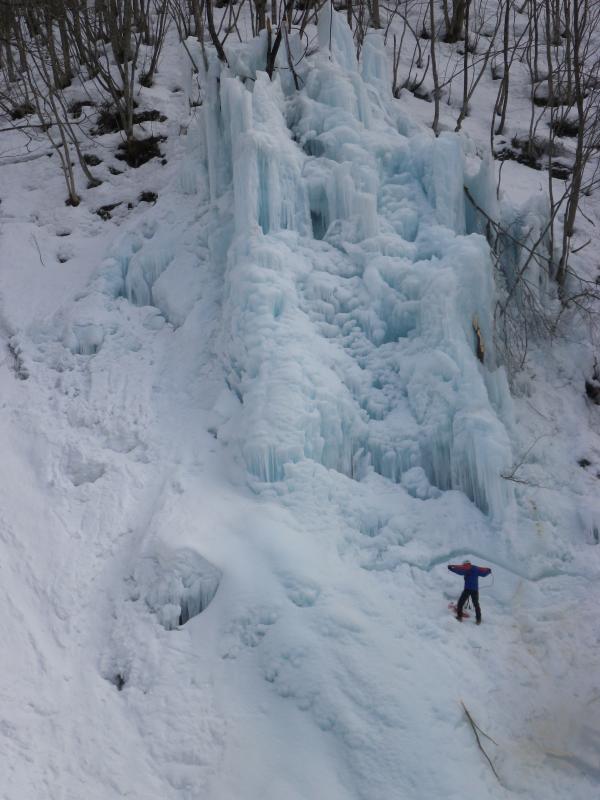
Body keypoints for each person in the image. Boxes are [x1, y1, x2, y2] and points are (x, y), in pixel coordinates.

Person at [448, 560, 492, 624]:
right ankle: (478, 620)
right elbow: (483, 574)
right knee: (476, 604)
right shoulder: (476, 569)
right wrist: (488, 572)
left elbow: (460, 572)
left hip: (467, 589)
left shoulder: (466, 569)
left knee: (460, 603)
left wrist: (451, 569)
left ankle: (459, 617)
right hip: (475, 590)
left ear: (465, 564)